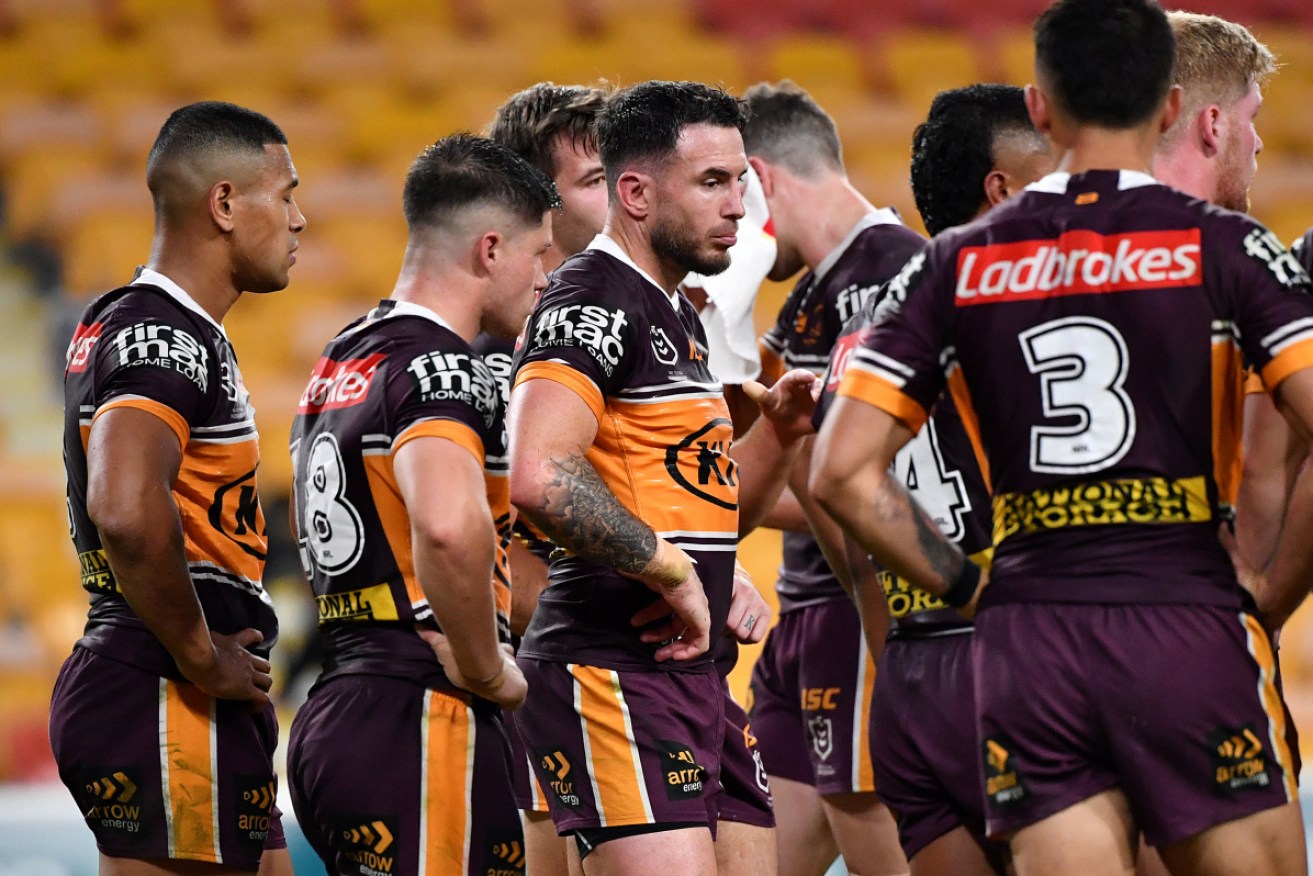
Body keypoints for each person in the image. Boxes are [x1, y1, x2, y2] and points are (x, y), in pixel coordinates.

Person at [811, 1, 1313, 874]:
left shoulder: (951, 264)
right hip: (1182, 618)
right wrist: (1263, 583)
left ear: (1040, 109)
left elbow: (839, 475)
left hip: (1028, 644)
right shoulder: (1228, 248)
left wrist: (971, 588)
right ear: (1167, 108)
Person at [508, 80, 816, 876]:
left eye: (740, 181)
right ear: (636, 193)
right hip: (614, 670)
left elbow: (712, 514)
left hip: (698, 680)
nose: (739, 208)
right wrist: (670, 571)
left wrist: (779, 435)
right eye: (712, 183)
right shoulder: (591, 300)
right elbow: (539, 474)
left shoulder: (673, 310)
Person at [284, 134, 557, 875]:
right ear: (490, 249)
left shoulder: (343, 358)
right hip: (422, 709)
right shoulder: (442, 367)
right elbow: (447, 526)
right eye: (538, 255)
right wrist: (487, 669)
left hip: (340, 700)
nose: (544, 279)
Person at [50, 100, 304, 875]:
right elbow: (125, 509)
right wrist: (200, 654)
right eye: (286, 193)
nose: (300, 219)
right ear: (224, 204)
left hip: (183, 692)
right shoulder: (165, 331)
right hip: (163, 687)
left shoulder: (141, 321)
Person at [810, 84, 1052, 876]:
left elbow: (837, 510)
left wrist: (894, 658)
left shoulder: (859, 324)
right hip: (1016, 654)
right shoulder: (1015, 303)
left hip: (912, 672)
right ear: (1002, 186)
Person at [739, 79, 924, 876]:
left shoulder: (897, 276)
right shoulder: (812, 296)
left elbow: (845, 479)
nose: (724, 221)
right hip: (806, 611)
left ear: (759, 179)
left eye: (725, 189)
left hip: (858, 606)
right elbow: (768, 465)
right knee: (753, 853)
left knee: (883, 837)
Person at [484, 82, 612, 876]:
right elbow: (511, 557)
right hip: (555, 675)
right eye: (596, 181)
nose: (628, 194)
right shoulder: (508, 352)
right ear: (538, 200)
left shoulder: (631, 318)